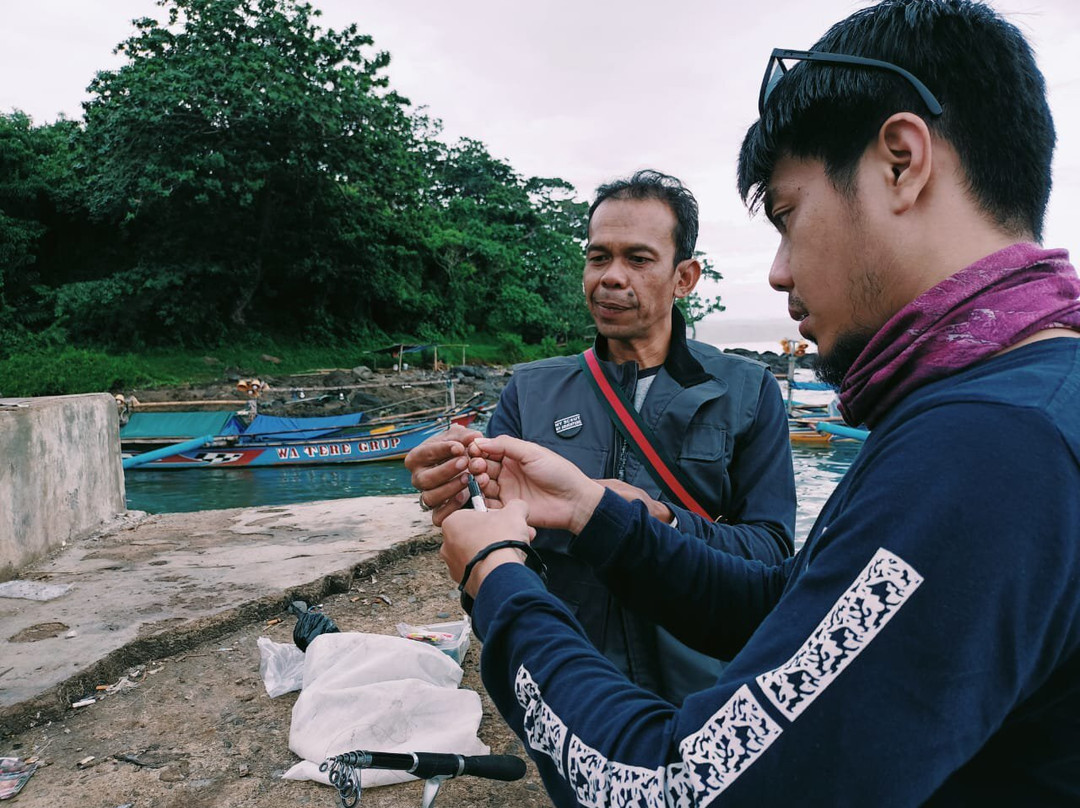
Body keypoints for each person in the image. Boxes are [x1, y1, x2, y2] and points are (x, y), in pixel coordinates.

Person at [438, 0, 1080, 804]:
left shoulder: (986, 448)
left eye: (786, 214)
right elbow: (795, 604)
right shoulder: (1010, 397)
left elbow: (673, 791)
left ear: (901, 161)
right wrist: (598, 512)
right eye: (597, 256)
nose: (777, 272)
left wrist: (497, 578)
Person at [406, 170, 797, 704]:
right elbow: (495, 535)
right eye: (598, 257)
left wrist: (660, 518)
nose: (611, 277)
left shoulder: (748, 391)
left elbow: (772, 558)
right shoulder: (531, 388)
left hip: (708, 685)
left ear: (685, 277)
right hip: (570, 676)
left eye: (638, 259)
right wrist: (456, 495)